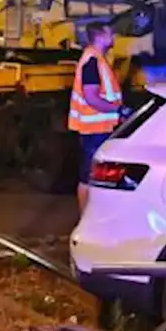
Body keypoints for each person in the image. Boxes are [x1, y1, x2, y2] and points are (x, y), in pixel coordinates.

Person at [69, 21, 122, 211]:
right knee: (88, 177)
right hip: (94, 129)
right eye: (110, 33)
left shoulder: (96, 58)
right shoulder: (92, 61)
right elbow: (91, 97)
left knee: (91, 175)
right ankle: (86, 218)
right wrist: (116, 110)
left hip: (99, 128)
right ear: (99, 36)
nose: (114, 36)